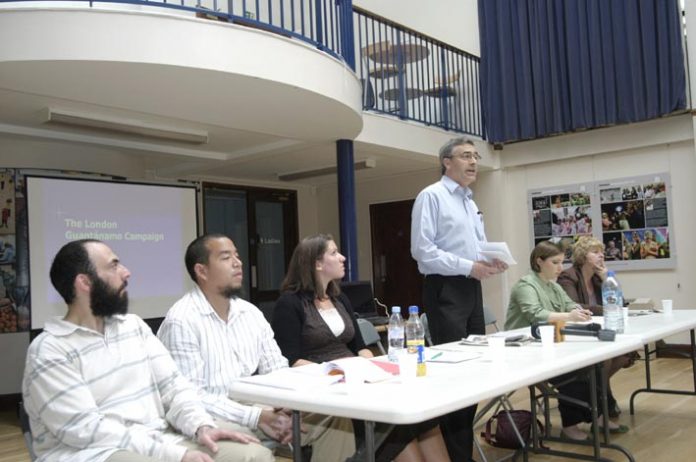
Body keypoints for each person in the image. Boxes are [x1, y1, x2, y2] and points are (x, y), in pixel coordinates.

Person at [22, 239, 271, 462]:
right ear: (85, 282)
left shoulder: (133, 326)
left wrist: (200, 426)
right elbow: (85, 429)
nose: (126, 272)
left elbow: (174, 387)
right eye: (114, 265)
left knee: (253, 455)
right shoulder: (49, 350)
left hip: (157, 437)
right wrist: (175, 454)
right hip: (91, 452)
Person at [158, 234, 355, 462]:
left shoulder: (249, 313)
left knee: (336, 418)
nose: (237, 262)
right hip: (210, 416)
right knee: (254, 453)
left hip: (255, 405)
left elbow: (278, 370)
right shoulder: (182, 321)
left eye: (237, 256)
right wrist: (258, 417)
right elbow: (192, 397)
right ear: (201, 271)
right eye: (225, 258)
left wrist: (286, 407)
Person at [272, 234, 451, 462]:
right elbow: (291, 360)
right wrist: (338, 372)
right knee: (396, 424)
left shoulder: (339, 298)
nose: (343, 258)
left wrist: (369, 367)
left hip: (358, 383)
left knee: (422, 417)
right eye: (334, 253)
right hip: (326, 392)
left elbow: (361, 347)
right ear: (317, 263)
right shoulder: (290, 304)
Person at [410, 137, 506, 461]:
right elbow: (423, 252)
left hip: (470, 287)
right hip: (444, 289)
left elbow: (475, 246)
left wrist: (491, 260)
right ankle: (454, 455)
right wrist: (470, 266)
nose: (474, 162)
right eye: (465, 156)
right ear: (446, 162)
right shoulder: (431, 196)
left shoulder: (469, 200)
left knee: (475, 370)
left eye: (475, 156)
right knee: (454, 375)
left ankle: (461, 453)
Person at [505, 241, 628, 440]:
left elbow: (569, 304)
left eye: (562, 262)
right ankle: (569, 427)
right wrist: (569, 317)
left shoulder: (552, 287)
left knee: (592, 366)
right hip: (522, 349)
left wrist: (578, 311)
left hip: (548, 343)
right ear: (539, 262)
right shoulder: (525, 285)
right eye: (555, 263)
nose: (560, 268)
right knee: (572, 372)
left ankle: (596, 416)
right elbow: (535, 314)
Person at [557, 236, 636, 418]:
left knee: (624, 355)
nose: (601, 256)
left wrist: (606, 278)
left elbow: (621, 303)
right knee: (604, 361)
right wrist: (609, 309)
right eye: (595, 252)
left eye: (602, 252)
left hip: (599, 331)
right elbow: (575, 305)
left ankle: (597, 394)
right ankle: (604, 403)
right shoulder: (568, 276)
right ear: (583, 256)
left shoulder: (599, 277)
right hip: (578, 334)